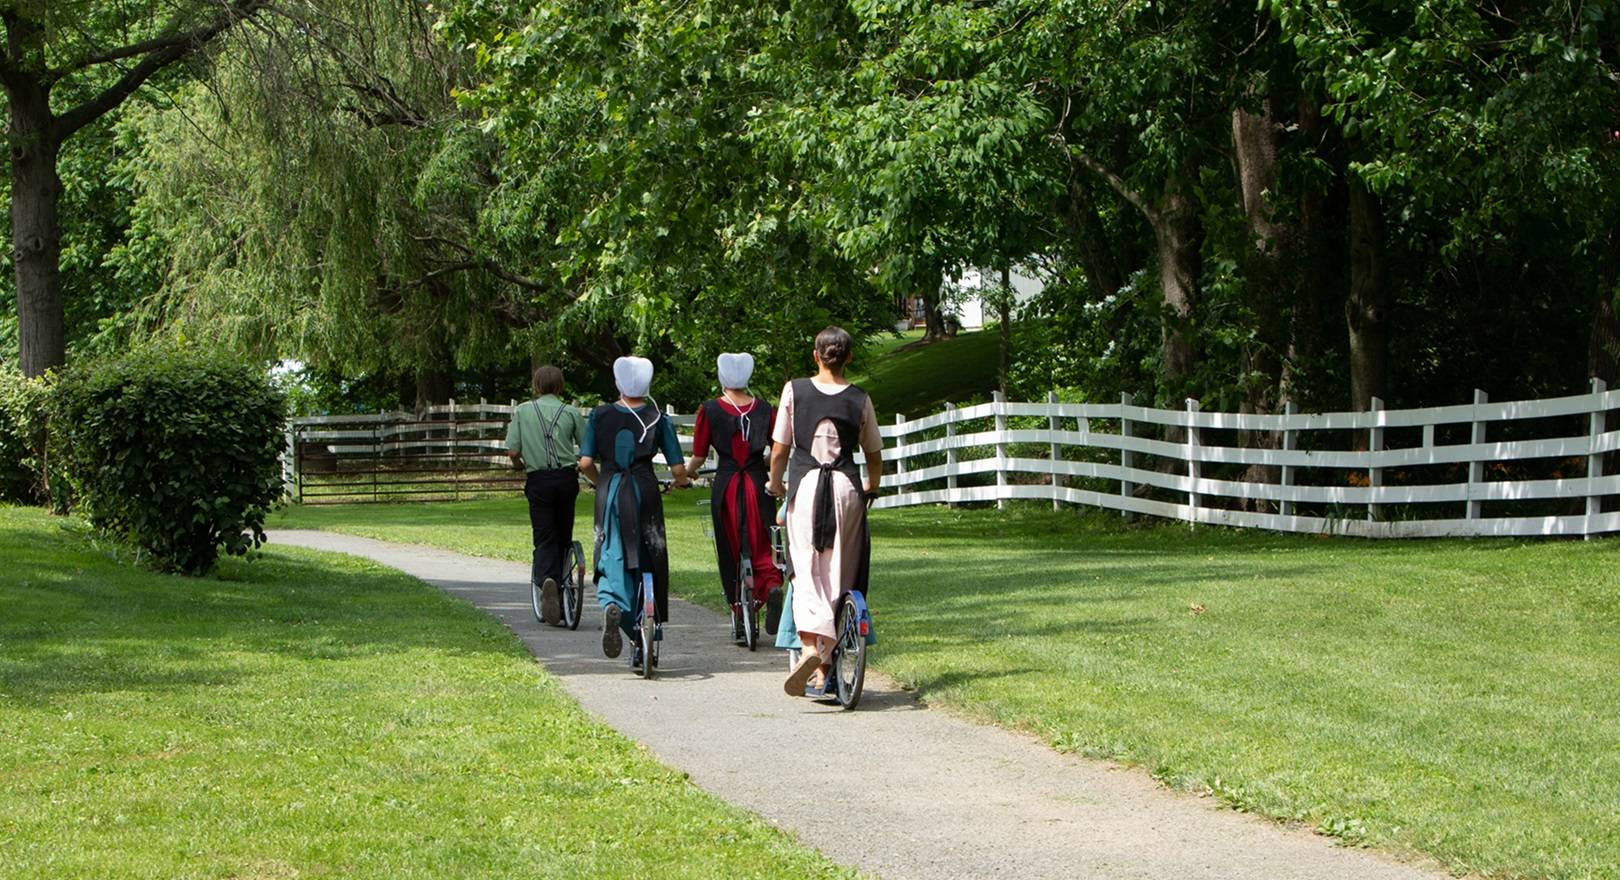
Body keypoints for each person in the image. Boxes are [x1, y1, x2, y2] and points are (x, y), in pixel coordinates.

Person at [766, 326, 883, 697]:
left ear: (816, 355)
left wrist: (775, 484)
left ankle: (810, 647)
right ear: (849, 357)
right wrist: (871, 487)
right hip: (846, 489)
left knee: (804, 570)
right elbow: (874, 455)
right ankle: (825, 669)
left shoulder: (794, 391)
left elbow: (780, 450)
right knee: (840, 573)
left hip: (806, 486)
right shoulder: (860, 399)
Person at [579, 356, 691, 669]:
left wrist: (602, 484)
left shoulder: (600, 415)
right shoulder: (657, 418)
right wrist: (682, 483)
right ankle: (648, 626)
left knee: (611, 551)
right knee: (650, 554)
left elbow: (586, 462)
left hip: (612, 488)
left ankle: (614, 605)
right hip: (645, 488)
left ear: (617, 383)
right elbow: (678, 468)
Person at [687, 353, 784, 643]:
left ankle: (738, 612)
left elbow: (699, 455)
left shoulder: (710, 410)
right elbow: (778, 447)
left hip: (727, 483)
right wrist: (767, 465)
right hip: (756, 483)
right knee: (762, 541)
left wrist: (688, 474)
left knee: (730, 547)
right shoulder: (765, 410)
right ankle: (770, 587)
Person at [505, 364, 585, 626]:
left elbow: (514, 452)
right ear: (560, 386)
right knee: (563, 533)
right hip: (565, 479)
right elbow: (586, 449)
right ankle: (562, 583)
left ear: (536, 386)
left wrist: (519, 467)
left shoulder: (523, 411)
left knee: (543, 536)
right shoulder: (571, 412)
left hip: (538, 480)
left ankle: (545, 580)